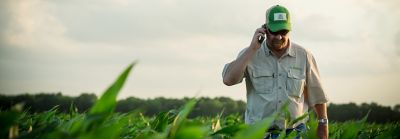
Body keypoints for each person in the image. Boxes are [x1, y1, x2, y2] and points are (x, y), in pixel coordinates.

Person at [222, 5, 329, 139]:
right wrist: (252, 49)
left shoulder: (304, 56)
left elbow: (318, 96)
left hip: (295, 132)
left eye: (283, 32)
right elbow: (228, 80)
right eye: (274, 32)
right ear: (265, 29)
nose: (279, 37)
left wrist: (323, 125)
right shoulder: (250, 54)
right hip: (259, 133)